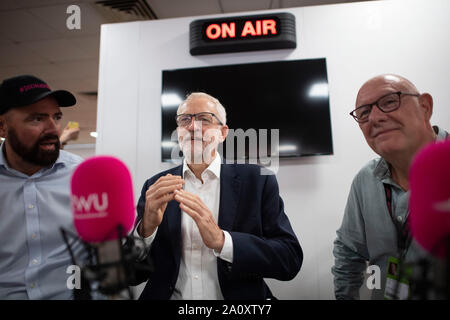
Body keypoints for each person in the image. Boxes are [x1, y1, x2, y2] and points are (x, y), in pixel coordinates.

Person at [132, 92, 303, 300]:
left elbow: (289, 259)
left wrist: (223, 241)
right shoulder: (154, 186)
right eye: (185, 119)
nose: (193, 126)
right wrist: (145, 230)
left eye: (204, 119)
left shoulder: (258, 181)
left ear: (223, 133)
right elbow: (130, 275)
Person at [332, 74, 448, 300]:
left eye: (389, 102)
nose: (374, 117)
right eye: (364, 113)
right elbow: (348, 253)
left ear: (425, 107)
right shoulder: (365, 180)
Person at [0, 75, 87, 299]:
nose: (53, 129)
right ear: (2, 126)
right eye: (37, 119)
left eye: (56, 117)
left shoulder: (82, 175)